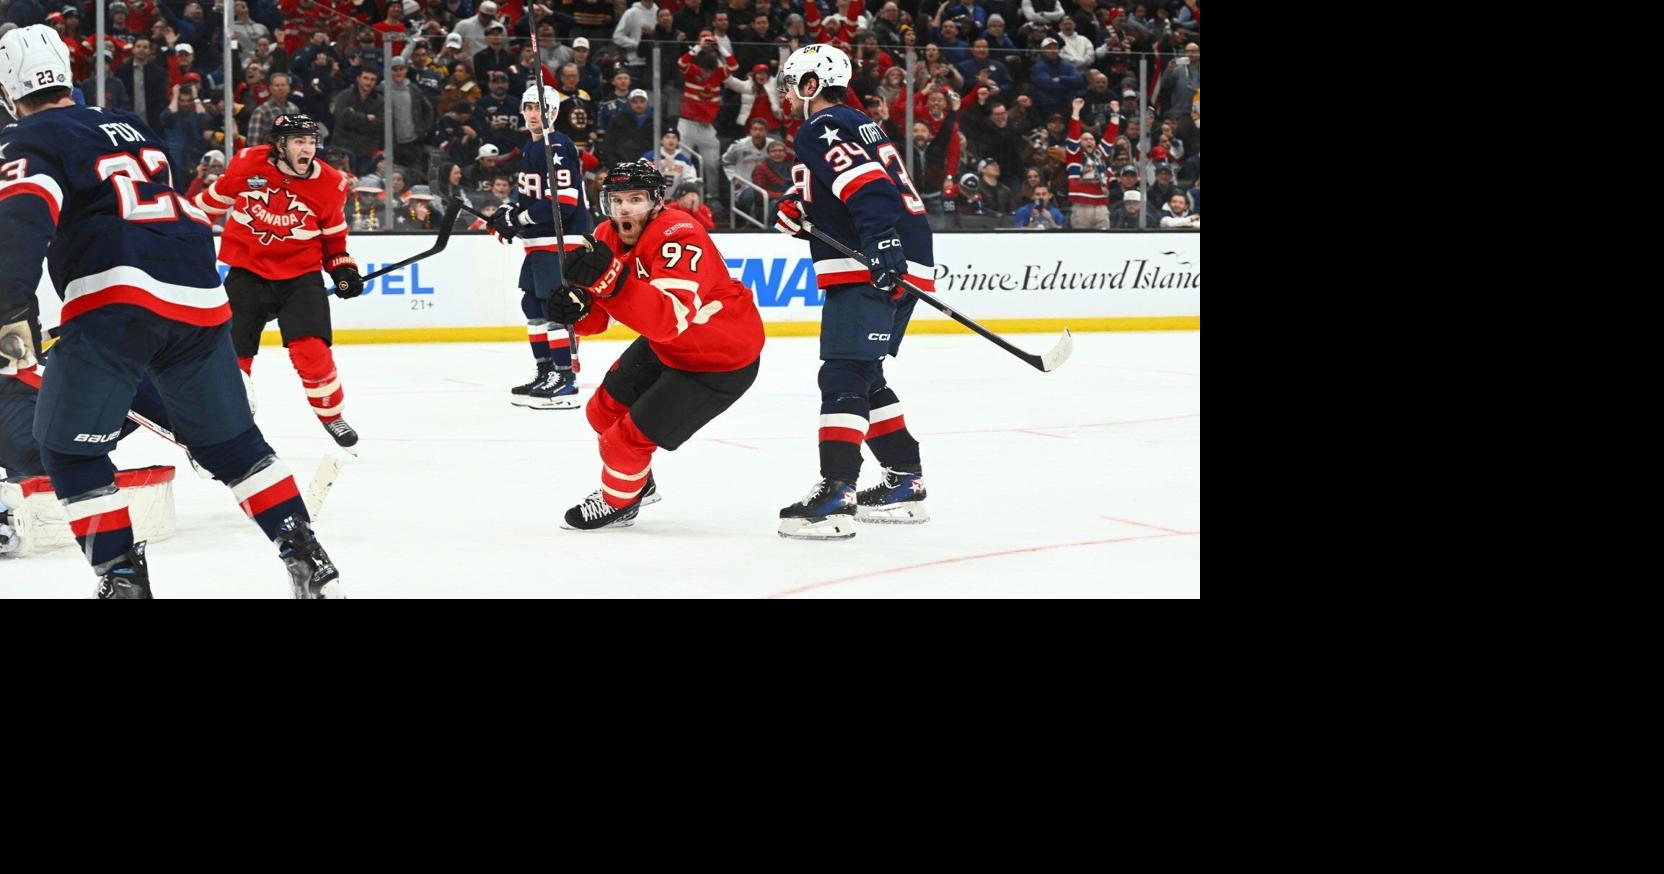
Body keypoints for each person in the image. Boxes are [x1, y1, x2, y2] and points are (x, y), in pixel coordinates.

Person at [0, 25, 341, 597]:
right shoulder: (130, 124)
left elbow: (20, 221)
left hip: (119, 301)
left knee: (66, 451)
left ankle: (123, 581)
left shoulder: (27, 139)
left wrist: (9, 308)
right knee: (235, 446)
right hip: (203, 297)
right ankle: (309, 558)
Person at [541, 160, 764, 530]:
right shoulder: (605, 235)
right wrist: (577, 310)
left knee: (624, 442)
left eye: (635, 199)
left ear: (657, 202)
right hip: (669, 346)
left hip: (718, 361)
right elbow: (600, 317)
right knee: (601, 412)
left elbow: (666, 320)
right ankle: (637, 486)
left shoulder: (680, 234)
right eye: (616, 200)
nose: (624, 209)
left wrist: (608, 282)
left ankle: (618, 503)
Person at [771, 44, 932, 539]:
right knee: (865, 375)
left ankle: (837, 491)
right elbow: (844, 186)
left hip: (874, 264)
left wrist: (882, 242)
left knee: (841, 373)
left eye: (794, 81)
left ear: (812, 84)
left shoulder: (820, 124)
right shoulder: (855, 122)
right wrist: (801, 210)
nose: (787, 91)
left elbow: (868, 185)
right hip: (897, 259)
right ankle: (905, 480)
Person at [188, 113, 366, 450]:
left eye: (312, 142)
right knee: (232, 358)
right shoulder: (247, 165)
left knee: (311, 351)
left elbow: (334, 243)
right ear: (280, 145)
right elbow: (208, 204)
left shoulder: (330, 184)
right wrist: (175, 227)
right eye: (299, 141)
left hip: (301, 277)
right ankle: (231, 428)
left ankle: (332, 415)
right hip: (248, 272)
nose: (307, 149)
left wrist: (343, 270)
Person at [486, 87, 592, 410]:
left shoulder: (557, 145)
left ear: (553, 112)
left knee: (555, 308)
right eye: (529, 106)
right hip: (538, 243)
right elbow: (530, 199)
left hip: (560, 240)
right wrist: (508, 215)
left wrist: (519, 217)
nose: (534, 113)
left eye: (540, 107)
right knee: (532, 306)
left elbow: (565, 203)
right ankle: (546, 372)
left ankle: (565, 378)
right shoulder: (531, 147)